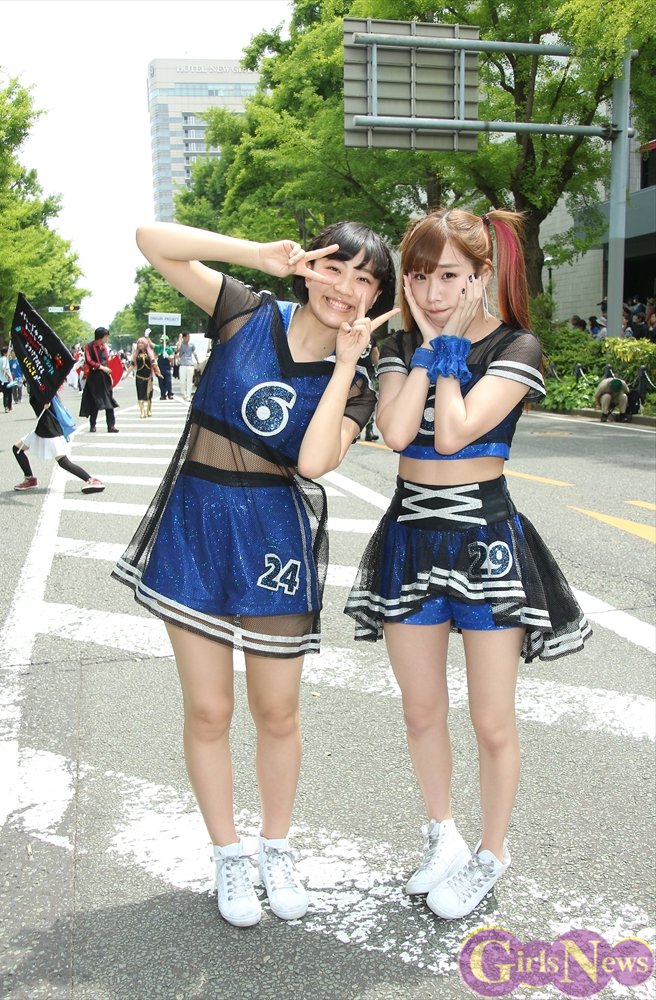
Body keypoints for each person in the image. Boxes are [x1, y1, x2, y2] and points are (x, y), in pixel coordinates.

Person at [111, 220, 398, 928]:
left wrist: (343, 366)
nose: (345, 288)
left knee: (278, 711)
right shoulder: (245, 310)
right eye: (335, 268)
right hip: (197, 526)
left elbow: (312, 461)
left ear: (375, 299)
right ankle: (228, 854)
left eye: (365, 281)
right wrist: (256, 256)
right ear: (308, 268)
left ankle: (276, 845)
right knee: (210, 709)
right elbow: (151, 239)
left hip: (273, 539)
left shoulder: (357, 386)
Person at [345, 207, 591, 921]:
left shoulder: (518, 347)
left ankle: (491, 852)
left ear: (482, 275)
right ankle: (442, 835)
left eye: (449, 276)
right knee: (421, 709)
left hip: (485, 541)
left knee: (491, 719)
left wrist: (450, 349)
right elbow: (398, 432)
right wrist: (427, 348)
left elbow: (452, 432)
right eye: (419, 276)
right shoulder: (400, 345)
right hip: (411, 538)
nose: (432, 292)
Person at [13, 391, 105, 492]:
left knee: (63, 462)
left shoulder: (43, 390)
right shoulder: (38, 389)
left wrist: (46, 401)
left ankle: (91, 480)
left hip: (49, 430)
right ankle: (29, 479)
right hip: (41, 429)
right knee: (17, 449)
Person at [79, 327, 119, 432]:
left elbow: (107, 361)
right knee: (94, 402)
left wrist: (109, 373)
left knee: (109, 401)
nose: (107, 338)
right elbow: (89, 361)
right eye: (106, 336)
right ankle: (92, 425)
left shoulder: (104, 347)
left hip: (105, 378)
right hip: (94, 378)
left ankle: (111, 426)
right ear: (101, 337)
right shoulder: (89, 347)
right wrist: (101, 367)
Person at [131, 336, 162, 417]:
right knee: (140, 394)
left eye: (142, 343)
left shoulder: (150, 354)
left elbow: (154, 364)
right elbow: (132, 365)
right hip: (139, 377)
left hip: (148, 377)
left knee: (149, 394)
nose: (140, 345)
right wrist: (126, 374)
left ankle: (148, 410)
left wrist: (158, 372)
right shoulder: (136, 355)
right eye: (139, 343)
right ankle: (142, 411)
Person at [174, 331, 200, 401]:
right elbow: (178, 349)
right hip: (182, 365)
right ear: (184, 337)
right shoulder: (181, 344)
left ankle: (188, 395)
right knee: (182, 381)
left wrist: (198, 362)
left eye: (189, 337)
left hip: (190, 365)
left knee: (189, 381)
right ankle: (184, 394)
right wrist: (180, 338)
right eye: (187, 337)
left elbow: (194, 353)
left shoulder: (192, 345)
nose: (189, 338)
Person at [1, 346, 14, 412]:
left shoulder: (1, 359)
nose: (9, 352)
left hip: (1, 379)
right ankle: (8, 407)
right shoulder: (5, 359)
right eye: (8, 351)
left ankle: (7, 406)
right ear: (4, 353)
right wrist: (8, 376)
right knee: (9, 394)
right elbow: (3, 369)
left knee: (5, 394)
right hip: (6, 380)